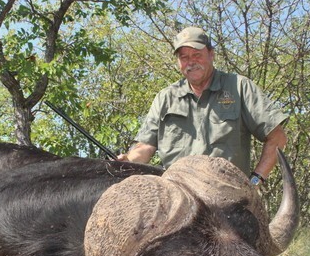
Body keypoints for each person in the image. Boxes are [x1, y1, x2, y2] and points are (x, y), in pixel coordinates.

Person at [117, 27, 289, 186]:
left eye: (197, 54)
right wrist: (128, 160)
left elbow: (277, 138)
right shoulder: (165, 98)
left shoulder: (239, 87)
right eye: (184, 57)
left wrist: (255, 181)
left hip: (228, 197)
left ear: (211, 54)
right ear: (178, 62)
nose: (191, 62)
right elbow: (145, 147)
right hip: (176, 198)